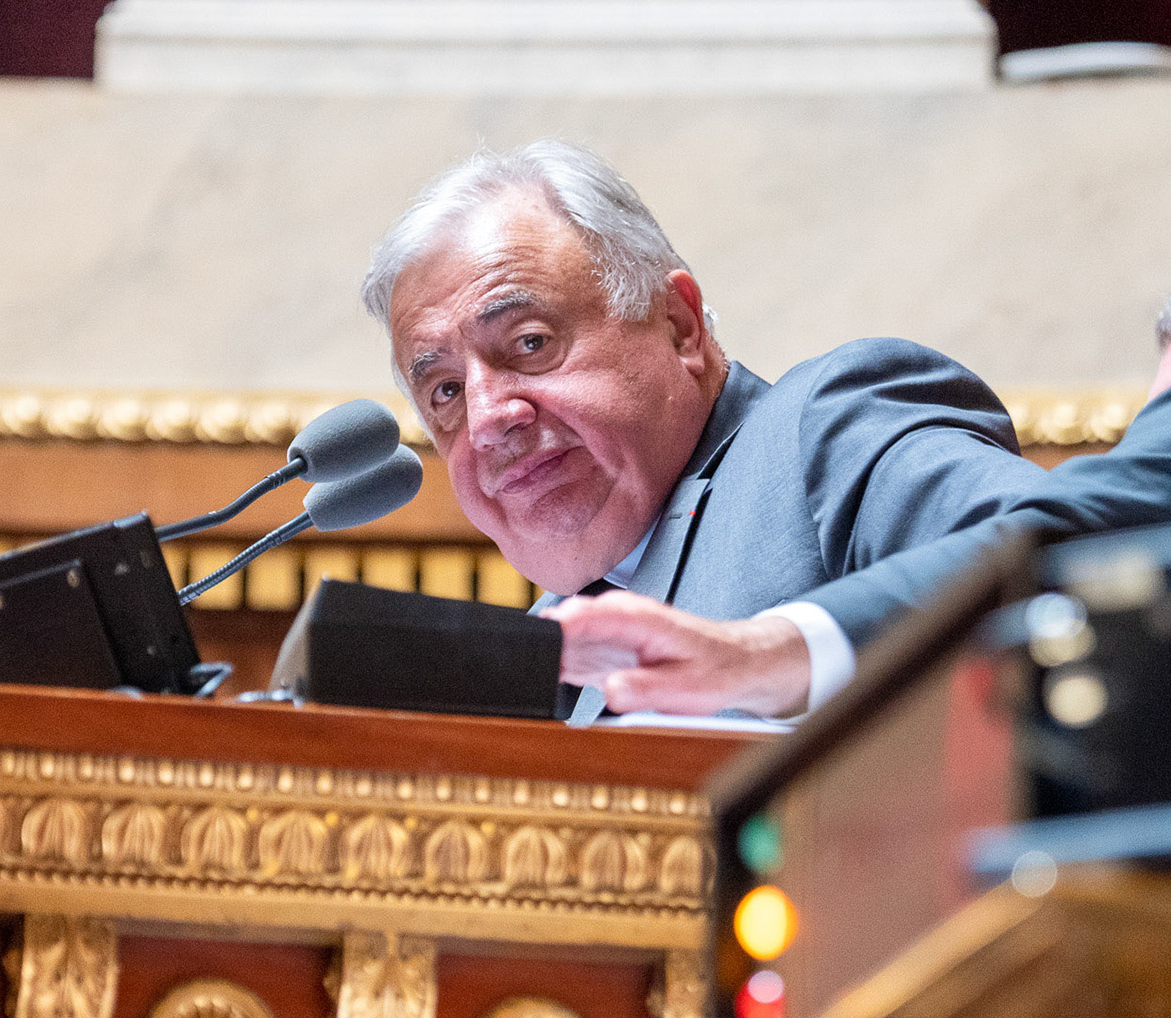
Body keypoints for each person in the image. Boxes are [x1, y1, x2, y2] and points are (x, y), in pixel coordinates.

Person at [362, 142, 1171, 718]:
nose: (491, 417)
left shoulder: (822, 432)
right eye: (443, 391)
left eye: (531, 344)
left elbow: (1092, 563)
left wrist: (768, 655)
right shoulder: (545, 655)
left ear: (679, 325)